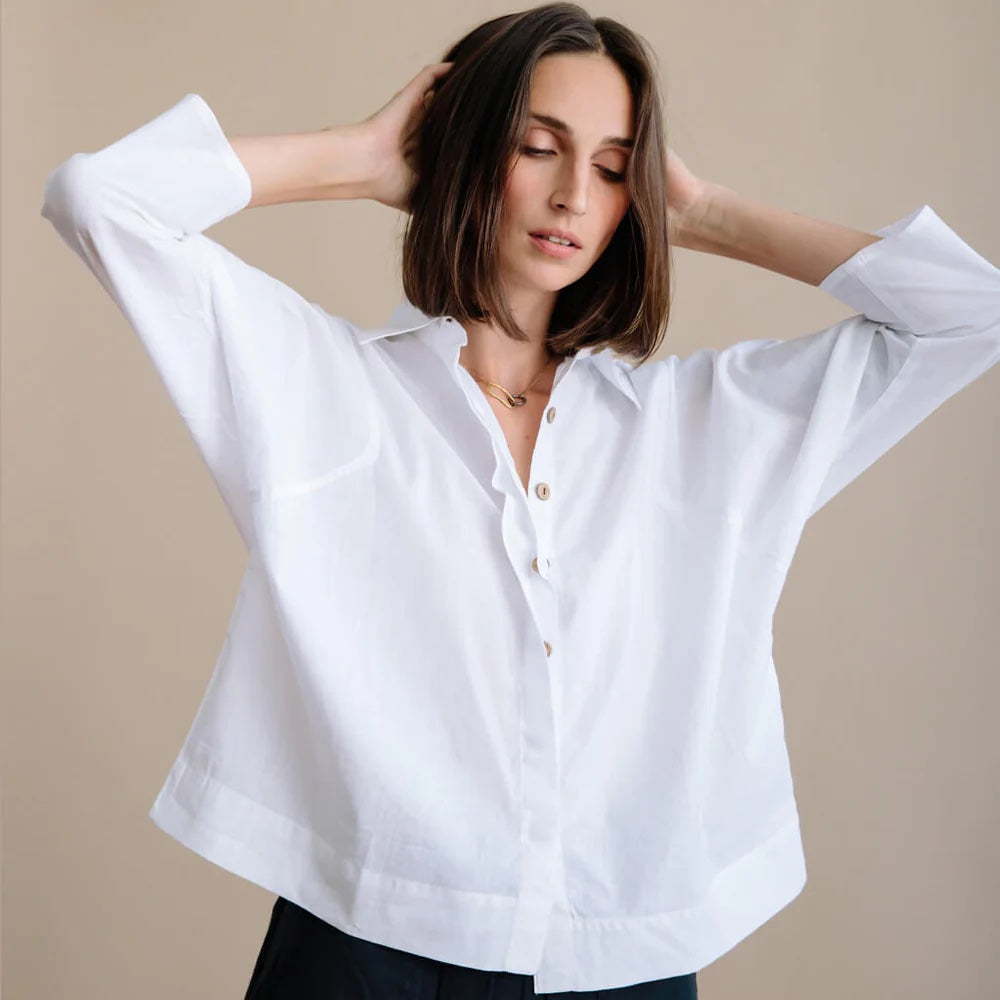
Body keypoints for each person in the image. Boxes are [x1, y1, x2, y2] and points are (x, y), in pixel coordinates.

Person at [40, 3, 998, 998]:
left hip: (618, 952)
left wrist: (702, 210)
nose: (575, 193)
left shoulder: (705, 429)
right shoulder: (322, 390)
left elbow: (970, 314)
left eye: (617, 167)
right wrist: (365, 159)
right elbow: (96, 198)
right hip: (364, 946)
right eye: (537, 148)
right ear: (467, 152)